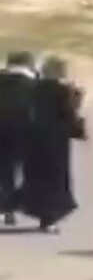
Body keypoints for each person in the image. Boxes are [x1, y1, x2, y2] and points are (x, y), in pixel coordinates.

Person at [19, 57, 85, 234]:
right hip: (56, 141)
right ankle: (49, 219)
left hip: (33, 139)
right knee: (55, 180)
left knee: (36, 176)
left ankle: (34, 209)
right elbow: (69, 114)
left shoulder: (32, 88)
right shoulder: (63, 90)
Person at [0, 52, 39, 226]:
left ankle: (6, 207)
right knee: (28, 170)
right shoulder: (34, 83)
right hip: (25, 129)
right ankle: (25, 205)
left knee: (5, 170)